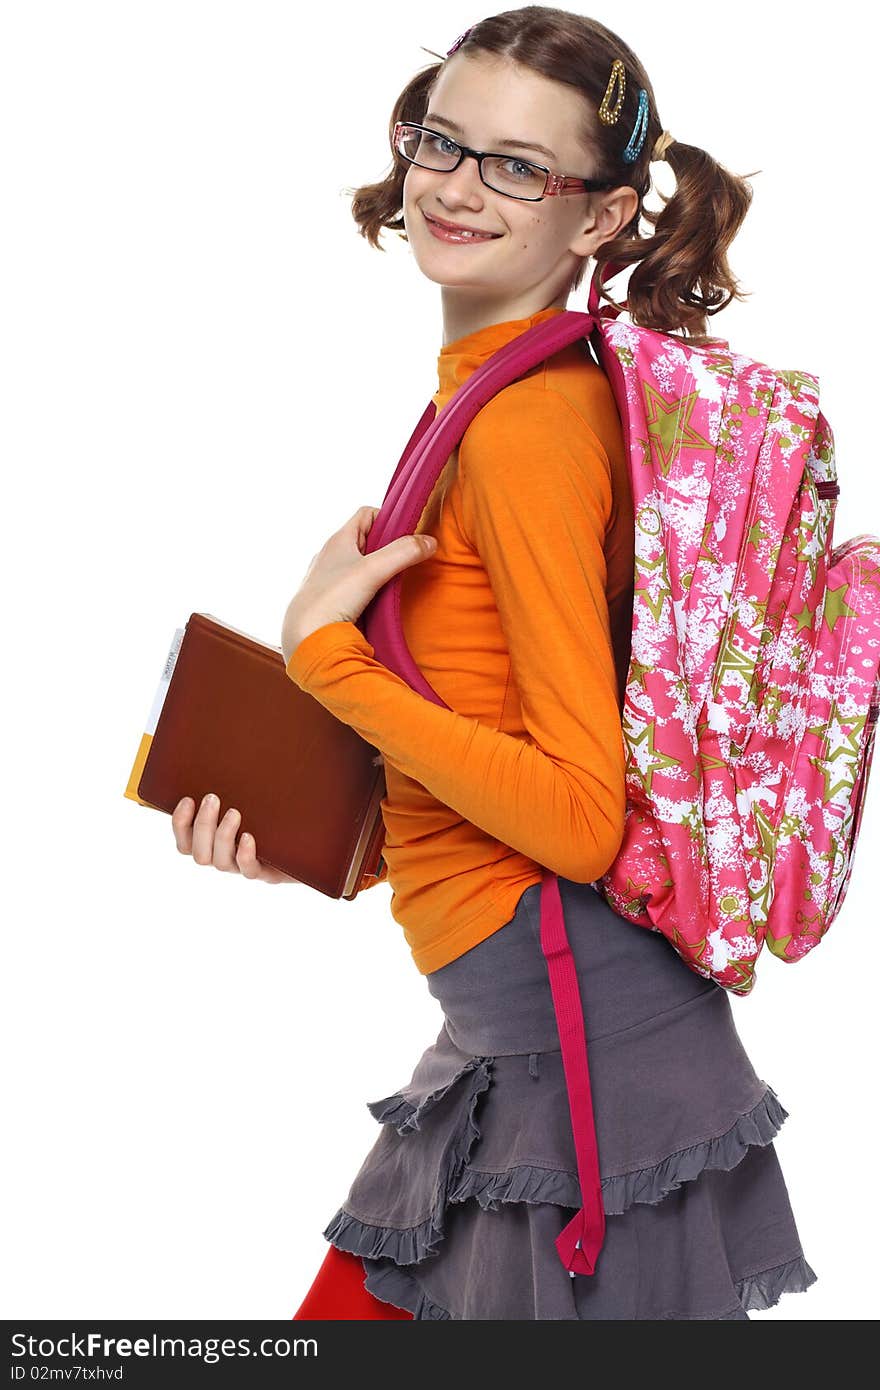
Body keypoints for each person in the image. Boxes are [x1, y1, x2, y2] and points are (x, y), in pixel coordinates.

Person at [173, 6, 819, 1320]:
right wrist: (327, 836)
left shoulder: (526, 425)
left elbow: (581, 818)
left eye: (519, 165)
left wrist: (327, 663)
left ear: (598, 218)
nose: (459, 186)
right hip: (509, 1034)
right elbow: (489, 740)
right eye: (444, 142)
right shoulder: (485, 390)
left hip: (581, 1062)